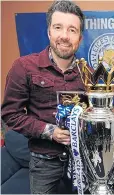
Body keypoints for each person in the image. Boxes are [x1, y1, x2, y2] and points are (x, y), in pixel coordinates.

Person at [1, 0, 85, 194]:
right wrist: (49, 131)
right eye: (58, 27)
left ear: (79, 38)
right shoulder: (23, 67)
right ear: (49, 32)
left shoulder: (86, 72)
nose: (65, 36)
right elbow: (9, 114)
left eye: (72, 30)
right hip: (43, 163)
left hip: (80, 162)